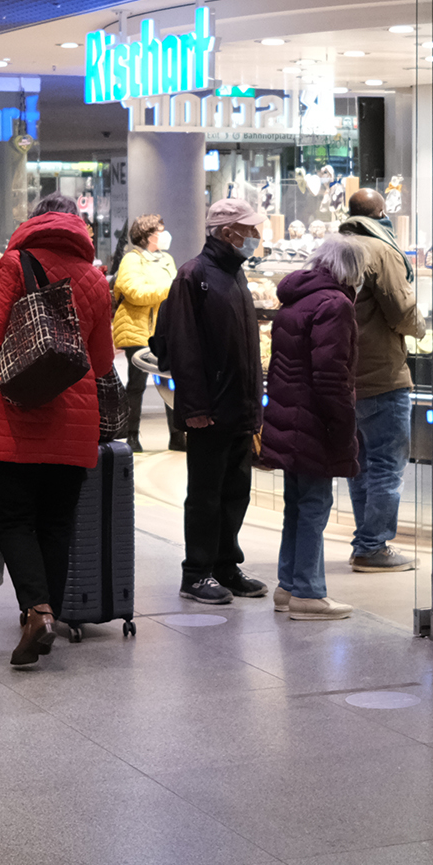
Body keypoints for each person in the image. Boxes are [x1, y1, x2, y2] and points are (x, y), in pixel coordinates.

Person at [0, 194, 115, 666]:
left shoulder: (17, 264)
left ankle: (36, 611)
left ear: (35, 222)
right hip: (75, 424)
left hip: (16, 418)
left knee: (15, 519)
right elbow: (102, 362)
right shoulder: (96, 278)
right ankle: (42, 616)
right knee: (56, 524)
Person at [154, 198, 268, 605]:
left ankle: (225, 565)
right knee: (205, 494)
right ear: (227, 232)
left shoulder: (235, 274)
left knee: (236, 491)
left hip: (239, 406)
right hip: (211, 410)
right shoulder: (194, 275)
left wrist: (255, 406)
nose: (255, 236)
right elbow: (183, 346)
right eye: (249, 230)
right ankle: (196, 573)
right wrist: (196, 409)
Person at [260, 235, 363, 620]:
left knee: (296, 504)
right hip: (315, 420)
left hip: (288, 415)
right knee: (315, 507)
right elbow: (330, 377)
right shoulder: (335, 305)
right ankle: (308, 592)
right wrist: (343, 427)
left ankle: (288, 586)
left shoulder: (296, 299)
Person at [337, 188, 426, 572]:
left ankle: (365, 541)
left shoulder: (338, 248)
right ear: (382, 213)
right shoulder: (381, 249)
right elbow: (402, 310)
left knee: (359, 466)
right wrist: (422, 329)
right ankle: (372, 547)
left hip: (345, 376)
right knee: (387, 465)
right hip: (383, 376)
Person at [109, 214, 175, 452]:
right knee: (137, 384)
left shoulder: (166, 259)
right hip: (138, 330)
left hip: (164, 330)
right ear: (148, 235)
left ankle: (177, 436)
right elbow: (136, 292)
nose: (164, 234)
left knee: (171, 384)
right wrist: (169, 289)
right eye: (160, 230)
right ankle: (131, 435)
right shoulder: (131, 260)